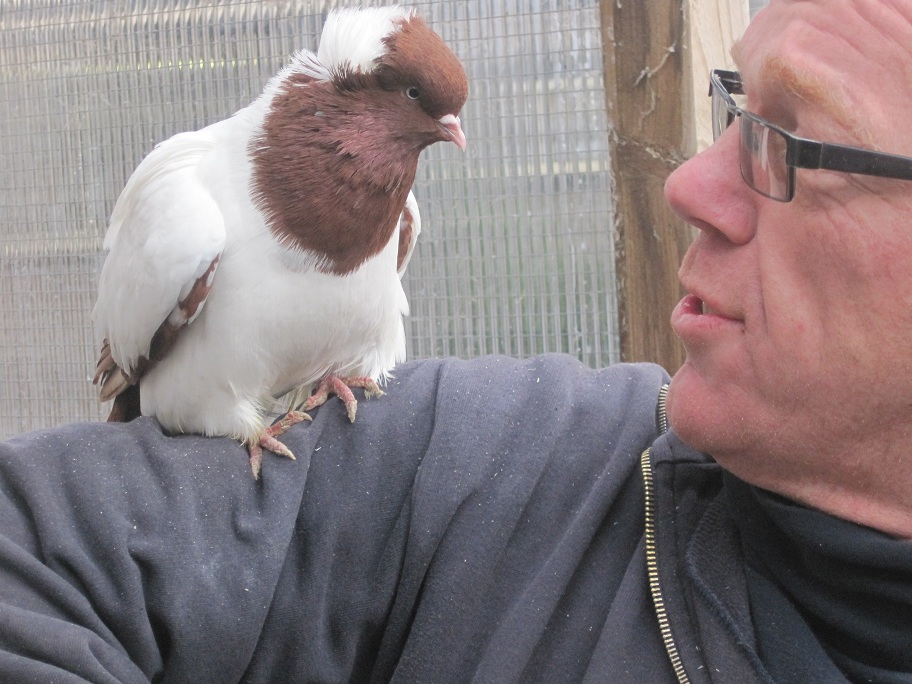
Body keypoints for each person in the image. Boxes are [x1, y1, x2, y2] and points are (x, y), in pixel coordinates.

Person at [1, 0, 911, 681]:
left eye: (790, 141)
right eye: (735, 108)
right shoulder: (475, 470)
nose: (687, 187)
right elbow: (35, 542)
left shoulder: (395, 224)